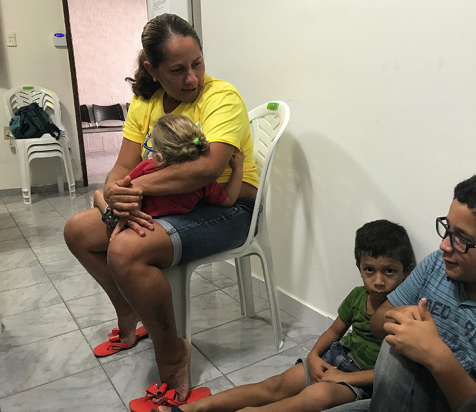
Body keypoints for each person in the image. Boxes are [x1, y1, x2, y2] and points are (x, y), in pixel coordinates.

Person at [63, 13, 259, 411]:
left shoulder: (222, 97)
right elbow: (121, 168)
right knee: (77, 232)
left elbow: (205, 170)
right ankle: (129, 310)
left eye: (197, 64)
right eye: (178, 70)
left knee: (124, 251)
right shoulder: (145, 101)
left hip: (230, 207)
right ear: (152, 69)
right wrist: (111, 197)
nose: (193, 78)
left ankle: (172, 357)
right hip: (174, 202)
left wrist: (129, 190)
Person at [324, 173, 476, 412]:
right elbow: (377, 323)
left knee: (400, 351)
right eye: (448, 229)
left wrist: (437, 356)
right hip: (391, 399)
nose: (444, 245)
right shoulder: (438, 265)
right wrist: (400, 315)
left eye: (462, 240)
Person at [159, 219, 417, 412]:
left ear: (407, 271)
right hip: (335, 359)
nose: (378, 280)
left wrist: (344, 378)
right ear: (359, 268)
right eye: (369, 270)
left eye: (389, 272)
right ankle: (193, 408)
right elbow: (333, 331)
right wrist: (314, 356)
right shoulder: (357, 296)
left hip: (360, 381)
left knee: (315, 398)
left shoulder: (406, 316)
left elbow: (390, 372)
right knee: (274, 386)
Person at [92, 114, 245, 241]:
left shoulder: (147, 167)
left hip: (133, 220)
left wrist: (127, 214)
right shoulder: (201, 181)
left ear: (158, 154)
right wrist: (238, 169)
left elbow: (126, 193)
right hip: (171, 223)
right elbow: (229, 199)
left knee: (99, 194)